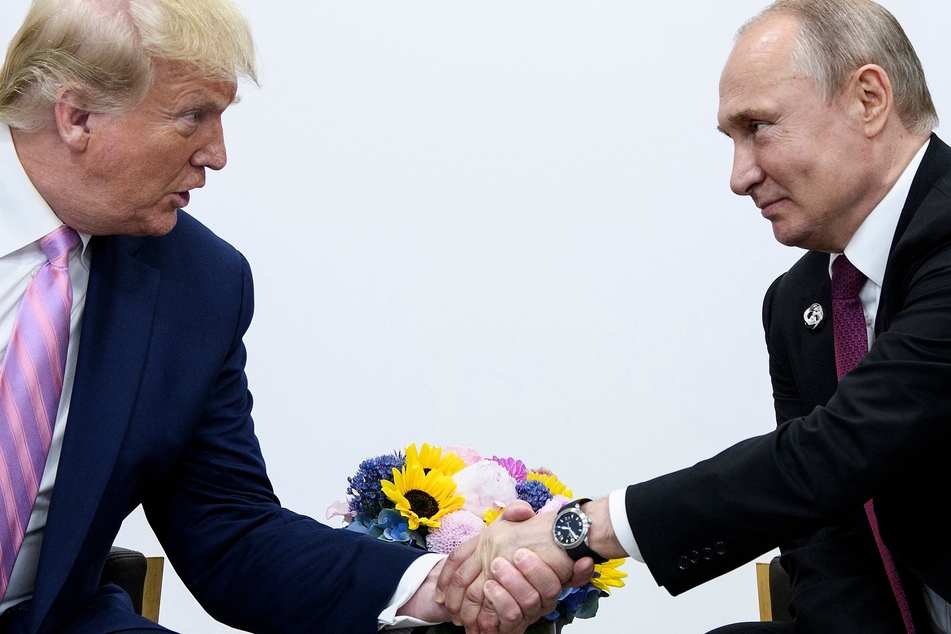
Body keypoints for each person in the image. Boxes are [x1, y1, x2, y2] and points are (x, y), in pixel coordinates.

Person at [0, 0, 587, 632]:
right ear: (77, 116)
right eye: (193, 116)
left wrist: (438, 585)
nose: (217, 154)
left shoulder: (199, 285)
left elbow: (230, 530)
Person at [436, 0, 951, 632]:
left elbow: (836, 451)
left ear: (869, 99)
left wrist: (584, 529)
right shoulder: (798, 304)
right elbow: (825, 536)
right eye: (731, 140)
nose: (740, 176)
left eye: (759, 127)